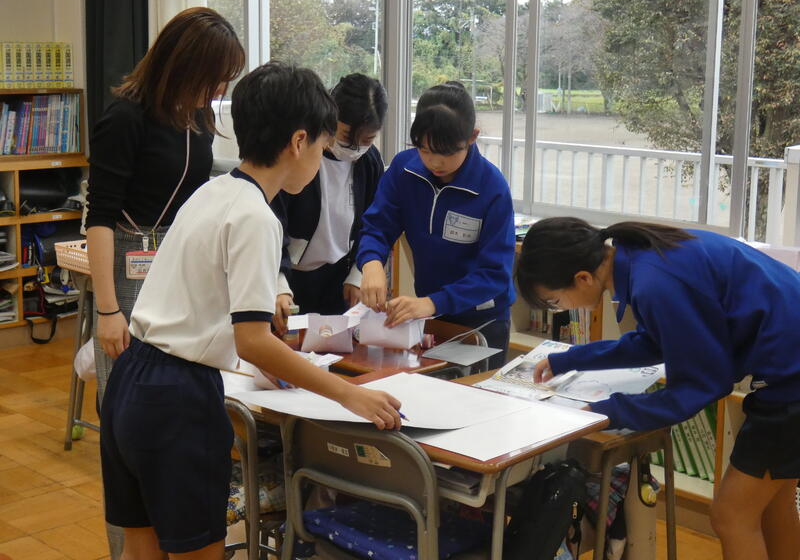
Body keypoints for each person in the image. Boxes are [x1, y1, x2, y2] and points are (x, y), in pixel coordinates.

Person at [100, 61, 403, 559]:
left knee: (141, 547)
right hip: (179, 399)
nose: (323, 159)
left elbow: (213, 312)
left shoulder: (212, 191)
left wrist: (273, 363)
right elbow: (253, 340)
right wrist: (351, 395)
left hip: (131, 381)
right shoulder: (257, 217)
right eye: (323, 147)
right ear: (299, 142)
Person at [516, 217, 800, 560]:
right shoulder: (641, 258)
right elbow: (654, 342)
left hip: (790, 383)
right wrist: (571, 359)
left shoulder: (653, 283)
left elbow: (700, 386)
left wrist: (606, 411)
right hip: (788, 370)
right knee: (773, 503)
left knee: (731, 517)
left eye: (554, 301)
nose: (561, 309)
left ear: (583, 278)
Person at [85, 6, 245, 559]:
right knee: (124, 422)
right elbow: (100, 217)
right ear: (184, 65)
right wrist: (108, 310)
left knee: (166, 430)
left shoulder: (195, 118)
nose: (219, 90)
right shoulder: (126, 117)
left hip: (173, 261)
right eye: (216, 77)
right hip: (126, 262)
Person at [357, 81, 516, 369]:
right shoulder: (405, 170)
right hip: (429, 311)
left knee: (474, 392)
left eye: (447, 152)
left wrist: (432, 303)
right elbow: (377, 226)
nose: (435, 162)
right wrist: (371, 264)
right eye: (425, 149)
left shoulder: (491, 188)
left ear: (472, 137)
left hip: (482, 318)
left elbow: (494, 275)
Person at [271, 73, 387, 330]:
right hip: (290, 276)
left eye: (366, 140)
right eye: (345, 136)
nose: (353, 148)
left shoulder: (369, 162)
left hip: (338, 277)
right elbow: (274, 220)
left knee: (332, 346)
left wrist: (358, 272)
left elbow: (375, 222)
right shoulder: (303, 154)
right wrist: (278, 283)